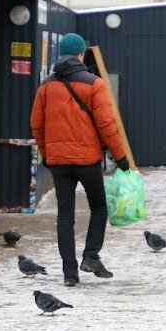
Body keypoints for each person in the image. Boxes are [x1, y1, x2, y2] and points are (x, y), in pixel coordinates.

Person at [30, 33, 129, 286]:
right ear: (81, 55)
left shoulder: (45, 85)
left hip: (59, 162)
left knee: (65, 215)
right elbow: (107, 124)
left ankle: (70, 274)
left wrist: (47, 154)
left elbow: (36, 125)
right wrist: (121, 157)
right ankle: (91, 256)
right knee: (98, 206)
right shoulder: (94, 83)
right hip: (87, 160)